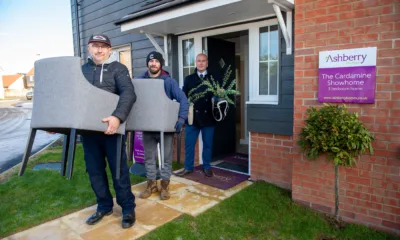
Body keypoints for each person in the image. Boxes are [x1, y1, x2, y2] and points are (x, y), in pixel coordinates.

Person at [80, 34, 136, 228]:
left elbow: (128, 94)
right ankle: (104, 206)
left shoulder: (118, 69)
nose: (99, 50)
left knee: (118, 171)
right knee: (94, 171)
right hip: (89, 133)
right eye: (95, 46)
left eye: (104, 46)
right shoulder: (81, 71)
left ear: (110, 50)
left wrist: (117, 117)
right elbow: (72, 98)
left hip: (113, 131)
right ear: (89, 48)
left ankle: (128, 208)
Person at [138, 51, 189, 200]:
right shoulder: (141, 81)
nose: (153, 63)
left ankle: (165, 186)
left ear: (161, 64)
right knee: (149, 157)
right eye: (151, 61)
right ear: (147, 63)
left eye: (156, 61)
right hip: (148, 126)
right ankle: (151, 185)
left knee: (166, 158)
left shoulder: (169, 82)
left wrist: (181, 119)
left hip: (165, 126)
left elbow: (183, 100)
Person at [177, 53, 217, 177]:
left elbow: (218, 97)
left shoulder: (213, 78)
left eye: (203, 61)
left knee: (208, 145)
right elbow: (183, 97)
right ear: (196, 62)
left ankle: (206, 166)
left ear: (207, 63)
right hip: (192, 117)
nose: (201, 63)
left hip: (209, 117)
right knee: (189, 144)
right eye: (198, 61)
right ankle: (188, 167)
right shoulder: (189, 79)